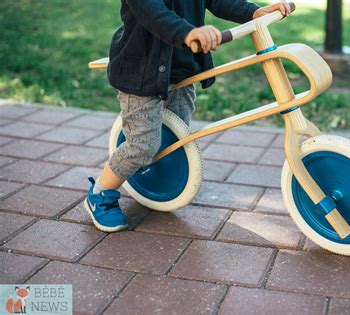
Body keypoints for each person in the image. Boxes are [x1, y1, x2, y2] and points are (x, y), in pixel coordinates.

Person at [84, 0, 292, 232]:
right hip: (142, 74)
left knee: (176, 136)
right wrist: (189, 32)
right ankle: (100, 192)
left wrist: (252, 11)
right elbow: (154, 13)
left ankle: (160, 177)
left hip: (180, 70)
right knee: (142, 145)